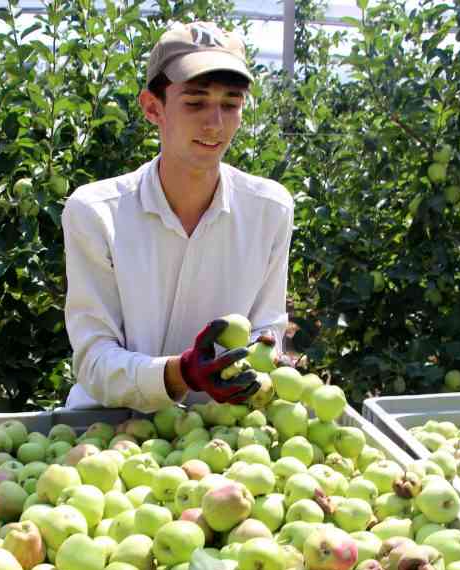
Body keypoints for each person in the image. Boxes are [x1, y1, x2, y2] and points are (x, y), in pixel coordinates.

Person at [61, 21, 295, 413]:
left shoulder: (269, 210)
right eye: (195, 102)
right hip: (108, 431)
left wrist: (269, 361)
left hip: (218, 434)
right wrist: (179, 374)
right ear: (153, 108)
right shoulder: (96, 212)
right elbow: (93, 360)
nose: (214, 123)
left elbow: (265, 336)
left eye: (230, 104)